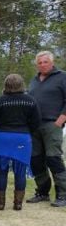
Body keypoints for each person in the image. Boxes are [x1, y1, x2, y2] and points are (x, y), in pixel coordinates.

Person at [0, 73, 42, 210]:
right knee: (20, 171)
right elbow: (37, 122)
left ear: (6, 85)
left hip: (2, 137)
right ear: (22, 84)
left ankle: (0, 203)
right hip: (22, 137)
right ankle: (18, 204)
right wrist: (27, 131)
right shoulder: (30, 101)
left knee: (1, 171)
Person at [26, 51, 66, 207]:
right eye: (40, 62)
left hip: (52, 124)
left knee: (53, 159)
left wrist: (61, 119)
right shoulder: (34, 80)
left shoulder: (62, 76)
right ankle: (42, 192)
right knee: (35, 160)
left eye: (45, 62)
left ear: (52, 62)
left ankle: (63, 194)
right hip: (34, 126)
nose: (42, 64)